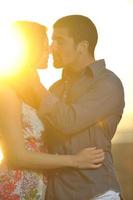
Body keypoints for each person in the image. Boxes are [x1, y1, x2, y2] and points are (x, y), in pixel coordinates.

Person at [0, 21, 105, 200]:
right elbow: (16, 156)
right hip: (15, 189)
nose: (49, 50)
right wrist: (75, 160)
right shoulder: (6, 89)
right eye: (44, 44)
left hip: (40, 188)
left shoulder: (35, 92)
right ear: (29, 49)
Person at [29, 15, 125, 200]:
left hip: (96, 193)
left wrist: (32, 81)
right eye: (52, 41)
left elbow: (68, 122)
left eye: (59, 41)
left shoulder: (108, 83)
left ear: (82, 46)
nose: (52, 48)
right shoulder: (55, 88)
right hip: (56, 194)